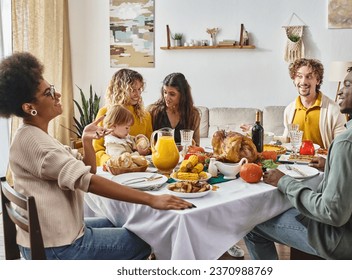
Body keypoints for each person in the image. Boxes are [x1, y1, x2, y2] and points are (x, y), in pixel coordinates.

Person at [0, 52, 194, 260]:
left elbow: (87, 169)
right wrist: (151, 200)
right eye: (49, 92)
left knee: (121, 220)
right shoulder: (36, 143)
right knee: (149, 237)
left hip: (59, 232)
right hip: (59, 247)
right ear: (29, 108)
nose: (57, 95)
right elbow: (89, 181)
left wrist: (86, 141)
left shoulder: (35, 135)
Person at [244, 62, 352, 260]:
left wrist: (284, 181)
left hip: (351, 242)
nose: (340, 92)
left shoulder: (348, 142)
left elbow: (332, 213)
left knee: (250, 223)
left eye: (347, 85)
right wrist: (331, 163)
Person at [93, 69, 153, 166]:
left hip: (139, 168)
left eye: (139, 89)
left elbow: (151, 145)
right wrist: (114, 163)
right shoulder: (105, 113)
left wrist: (146, 151)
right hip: (112, 169)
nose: (137, 94)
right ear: (120, 90)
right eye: (132, 90)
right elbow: (97, 149)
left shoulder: (145, 116)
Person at [148, 72, 201, 146]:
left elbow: (196, 145)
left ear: (183, 95)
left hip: (183, 156)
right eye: (165, 92)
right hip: (159, 156)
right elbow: (148, 140)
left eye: (172, 94)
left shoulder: (193, 114)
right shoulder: (154, 111)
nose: (166, 97)